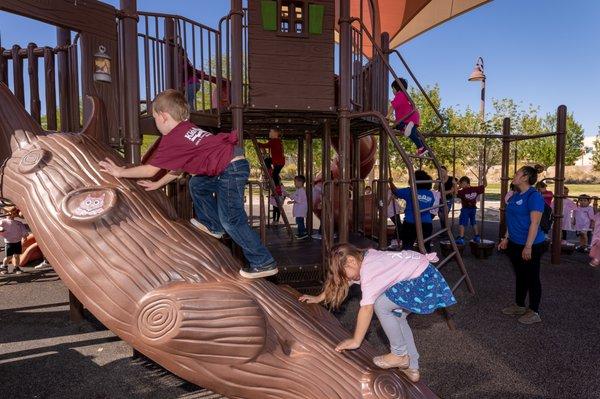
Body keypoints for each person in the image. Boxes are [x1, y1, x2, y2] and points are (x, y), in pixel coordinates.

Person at [99, 89, 277, 279]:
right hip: (230, 165)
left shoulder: (173, 138)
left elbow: (150, 169)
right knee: (197, 184)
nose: (156, 124)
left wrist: (120, 172)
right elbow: (178, 169)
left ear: (164, 117)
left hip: (230, 170)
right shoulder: (188, 129)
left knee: (231, 220)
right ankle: (212, 225)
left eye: (155, 119)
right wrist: (159, 183)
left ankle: (262, 261)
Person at [298, 243, 456, 383]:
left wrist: (355, 341)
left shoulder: (370, 271)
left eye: (342, 272)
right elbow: (340, 282)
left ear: (351, 261)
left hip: (422, 281)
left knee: (380, 305)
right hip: (421, 276)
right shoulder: (364, 257)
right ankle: (412, 367)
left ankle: (399, 354)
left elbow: (366, 309)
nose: (343, 278)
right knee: (397, 317)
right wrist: (319, 297)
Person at [498, 165, 546, 325]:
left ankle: (534, 311)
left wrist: (528, 246)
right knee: (520, 275)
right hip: (514, 243)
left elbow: (535, 222)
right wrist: (506, 238)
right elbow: (511, 220)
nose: (514, 175)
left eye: (517, 173)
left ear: (525, 177)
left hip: (531, 244)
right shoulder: (515, 196)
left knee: (532, 277)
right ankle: (519, 305)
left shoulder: (534, 196)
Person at [389, 170, 436, 252]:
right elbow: (430, 205)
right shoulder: (430, 194)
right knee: (426, 246)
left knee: (407, 246)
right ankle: (426, 262)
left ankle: (408, 263)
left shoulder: (410, 191)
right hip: (426, 224)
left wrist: (390, 182)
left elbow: (395, 191)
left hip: (410, 223)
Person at [389, 78, 427, 156]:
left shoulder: (400, 95)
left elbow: (392, 106)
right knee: (412, 133)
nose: (392, 91)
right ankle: (423, 147)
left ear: (396, 88)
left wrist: (387, 116)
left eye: (393, 89)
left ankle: (420, 147)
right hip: (412, 117)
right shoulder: (405, 96)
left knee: (400, 127)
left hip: (409, 118)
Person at [456, 176, 487, 245]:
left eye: (462, 184)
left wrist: (456, 185)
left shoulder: (462, 191)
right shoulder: (475, 189)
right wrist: (484, 177)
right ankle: (477, 236)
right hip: (473, 209)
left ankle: (461, 238)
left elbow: (455, 192)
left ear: (466, 183)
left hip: (465, 209)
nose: (461, 185)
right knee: (473, 222)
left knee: (462, 223)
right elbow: (485, 185)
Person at [0, 206, 29, 275]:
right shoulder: (3, 221)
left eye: (13, 212)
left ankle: (16, 267)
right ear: (6, 213)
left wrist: (24, 236)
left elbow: (23, 230)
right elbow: (0, 226)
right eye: (9, 212)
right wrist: (1, 229)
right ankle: (4, 266)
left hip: (17, 241)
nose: (11, 214)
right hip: (9, 242)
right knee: (8, 257)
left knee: (17, 256)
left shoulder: (18, 223)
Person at [437, 166, 456, 239]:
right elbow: (436, 188)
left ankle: (447, 231)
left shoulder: (452, 179)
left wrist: (445, 192)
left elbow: (454, 190)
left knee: (445, 214)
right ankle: (443, 230)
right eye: (440, 171)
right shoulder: (439, 179)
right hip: (440, 199)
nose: (441, 172)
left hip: (448, 199)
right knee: (440, 215)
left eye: (442, 171)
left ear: (446, 171)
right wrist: (448, 191)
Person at [288, 175, 308, 239]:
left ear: (300, 182)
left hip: (301, 209)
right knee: (299, 221)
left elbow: (298, 200)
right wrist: (292, 201)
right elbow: (298, 199)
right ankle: (300, 232)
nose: (294, 183)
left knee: (299, 221)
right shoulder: (299, 190)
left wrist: (293, 198)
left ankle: (303, 233)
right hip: (300, 209)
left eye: (295, 182)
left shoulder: (301, 190)